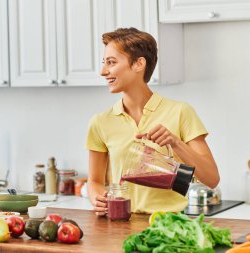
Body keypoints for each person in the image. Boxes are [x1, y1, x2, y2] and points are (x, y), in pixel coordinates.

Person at [86, 27, 220, 216]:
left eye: (111, 62)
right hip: (120, 225)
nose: (103, 71)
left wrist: (176, 143)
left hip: (171, 227)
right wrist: (98, 199)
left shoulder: (180, 112)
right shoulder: (100, 122)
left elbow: (212, 178)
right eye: (104, 63)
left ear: (138, 64)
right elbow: (95, 181)